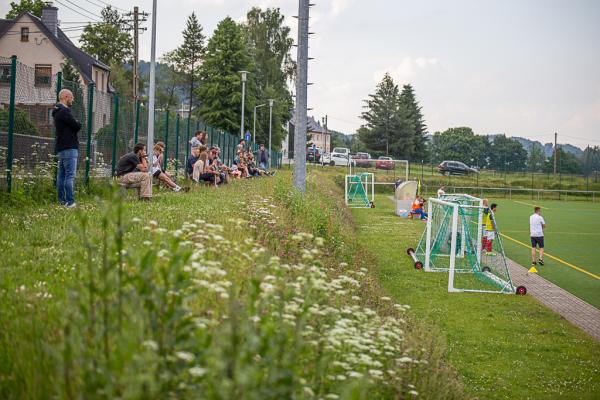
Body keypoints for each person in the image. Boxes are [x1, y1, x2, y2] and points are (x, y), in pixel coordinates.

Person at [53, 88, 81, 208]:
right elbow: (76, 126)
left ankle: (61, 201)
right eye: (71, 97)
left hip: (62, 147)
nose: (72, 100)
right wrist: (77, 123)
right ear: (65, 97)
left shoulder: (56, 111)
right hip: (70, 147)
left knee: (62, 176)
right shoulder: (64, 111)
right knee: (69, 176)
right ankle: (70, 202)